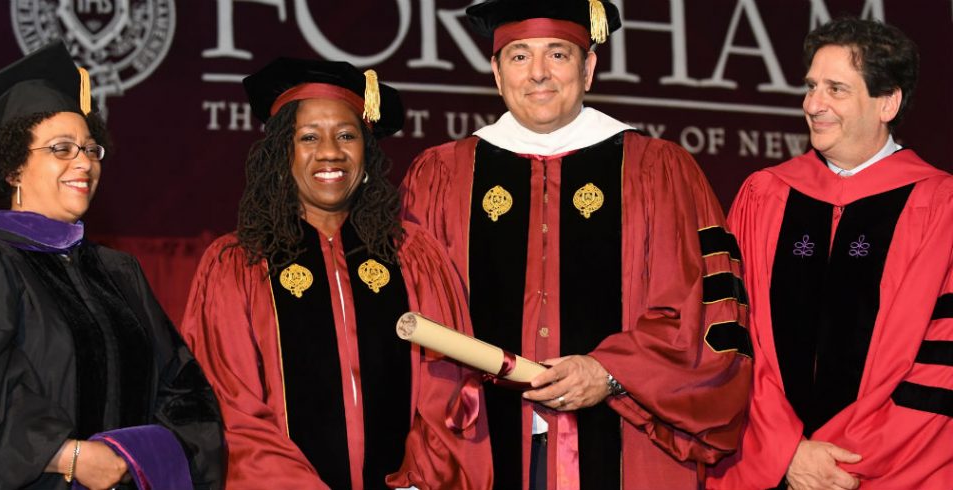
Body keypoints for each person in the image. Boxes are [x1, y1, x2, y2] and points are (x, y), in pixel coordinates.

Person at [399, 0, 752, 488]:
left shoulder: (659, 170)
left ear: (588, 69)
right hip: (478, 448)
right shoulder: (441, 176)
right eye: (520, 56)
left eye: (558, 55)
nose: (539, 73)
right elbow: (416, 323)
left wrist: (609, 372)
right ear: (496, 73)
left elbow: (700, 313)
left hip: (630, 440)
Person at [178, 57, 491, 490]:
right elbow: (230, 408)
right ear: (281, 154)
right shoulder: (238, 264)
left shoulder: (414, 257)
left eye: (346, 135)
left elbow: (452, 387)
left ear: (366, 149)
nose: (330, 152)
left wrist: (419, 481)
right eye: (308, 137)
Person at [0, 42, 225, 489]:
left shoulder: (118, 272)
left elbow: (181, 388)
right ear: (13, 167)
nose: (84, 162)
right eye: (61, 148)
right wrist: (65, 455)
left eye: (90, 148)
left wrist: (142, 454)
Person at [707, 17, 953, 490]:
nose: (812, 104)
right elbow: (730, 335)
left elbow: (942, 364)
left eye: (836, 89)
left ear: (888, 102)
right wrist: (785, 451)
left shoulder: (939, 206)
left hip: (897, 469)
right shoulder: (765, 195)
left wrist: (848, 461)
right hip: (768, 462)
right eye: (811, 86)